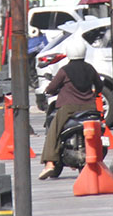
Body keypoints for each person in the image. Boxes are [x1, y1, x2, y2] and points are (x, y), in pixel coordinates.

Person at [39, 39, 104, 180]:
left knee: (53, 131)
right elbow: (99, 85)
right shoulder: (90, 68)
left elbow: (51, 88)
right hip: (89, 107)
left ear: (68, 53)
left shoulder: (64, 71)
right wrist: (94, 93)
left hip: (69, 108)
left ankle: (49, 163)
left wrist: (49, 90)